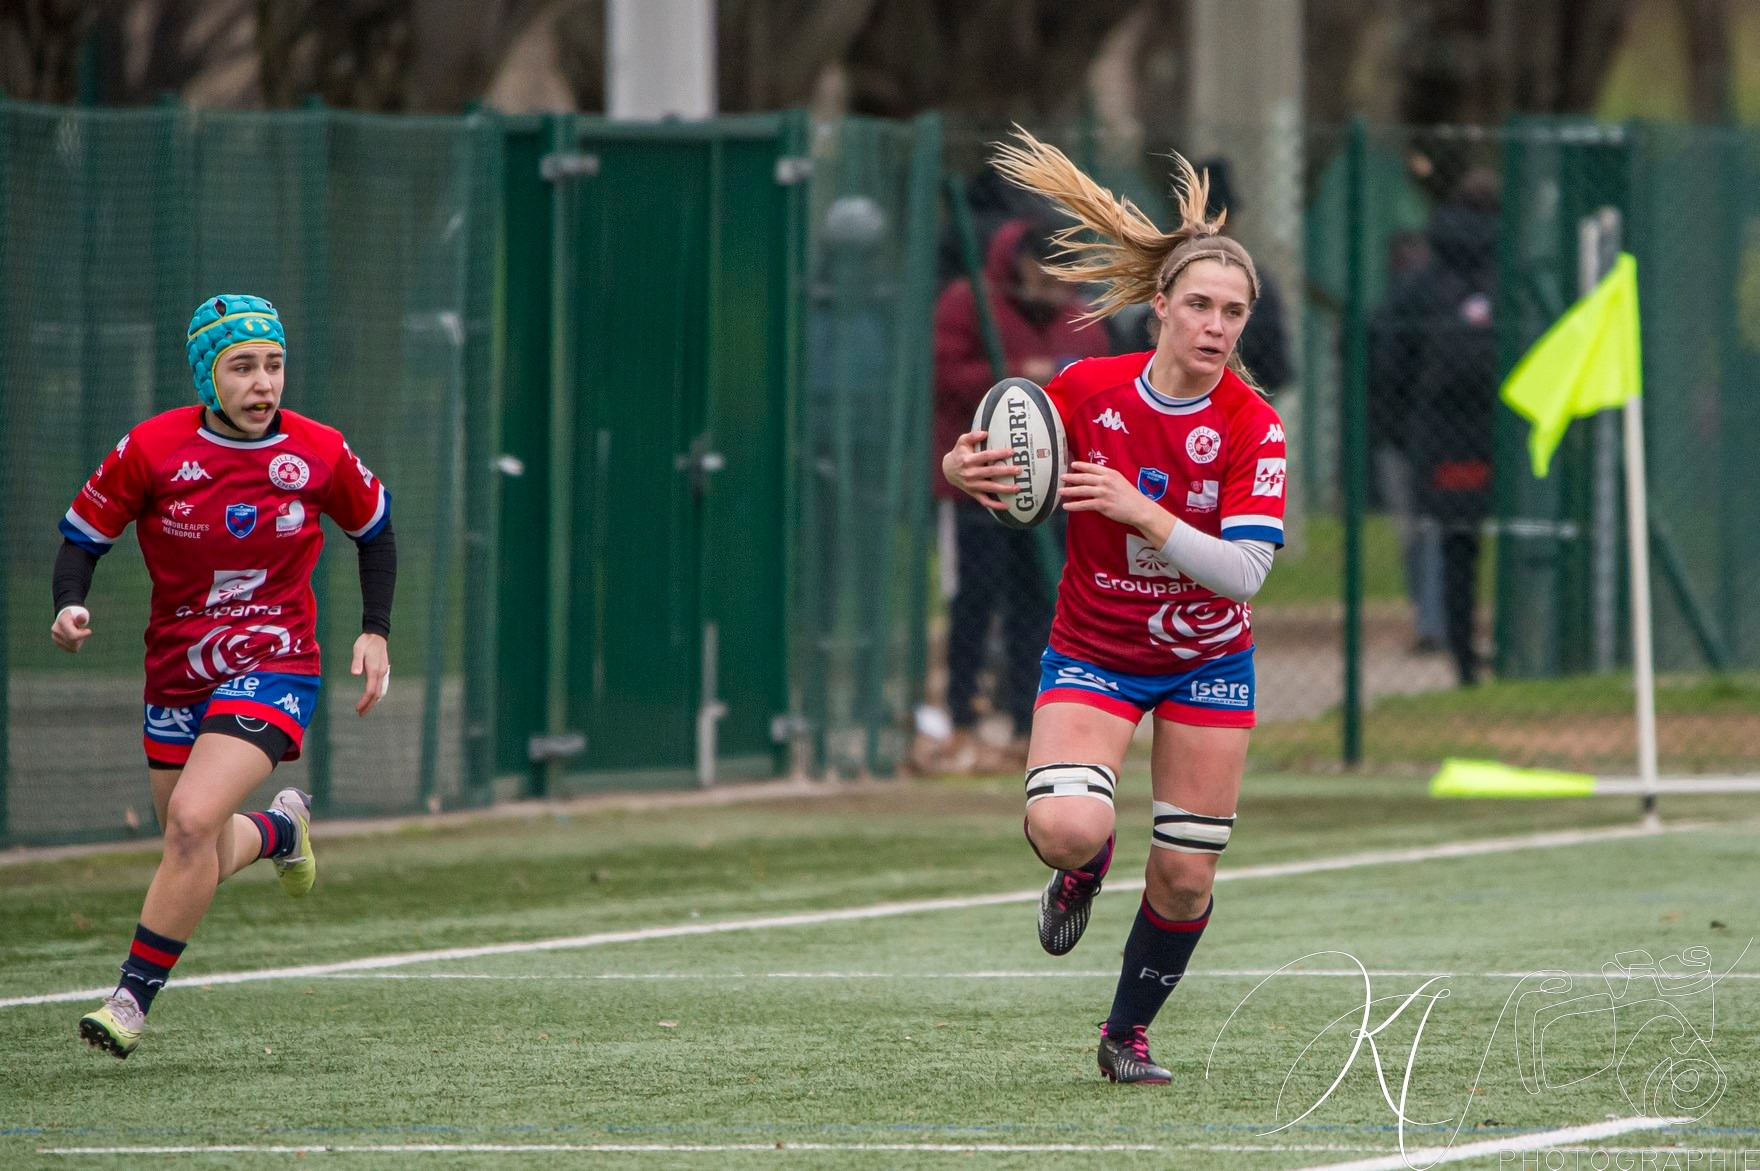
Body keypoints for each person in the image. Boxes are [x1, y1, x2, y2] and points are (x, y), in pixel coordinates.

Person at [944, 133, 1285, 1084]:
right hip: (1095, 645)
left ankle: (1126, 1033)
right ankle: (1082, 873)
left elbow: (1247, 572)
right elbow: (1009, 472)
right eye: (1202, 306)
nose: (1217, 326)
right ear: (1161, 306)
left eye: (1235, 312)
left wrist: (1143, 509)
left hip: (1209, 659)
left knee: (1185, 872)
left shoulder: (1253, 426)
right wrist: (963, 468)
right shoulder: (1085, 389)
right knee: (1068, 825)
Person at [53, 294, 396, 1058]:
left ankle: (129, 1001)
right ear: (208, 378)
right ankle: (281, 829)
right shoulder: (152, 449)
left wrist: (375, 631)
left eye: (273, 364)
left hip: (276, 663)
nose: (263, 383)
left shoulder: (317, 451)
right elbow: (84, 536)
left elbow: (374, 530)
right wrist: (68, 605)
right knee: (193, 844)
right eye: (242, 367)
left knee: (186, 824)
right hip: (177, 668)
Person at [931, 219, 1109, 772]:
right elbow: (944, 374)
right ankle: (961, 718)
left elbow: (1100, 383)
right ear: (1025, 264)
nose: (1059, 285)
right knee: (973, 601)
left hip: (1053, 492)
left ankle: (1027, 723)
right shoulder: (969, 302)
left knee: (1039, 604)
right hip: (980, 490)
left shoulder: (1081, 318)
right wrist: (1018, 375)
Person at [1396, 171, 1501, 685]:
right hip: (1508, 433)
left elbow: (1388, 359)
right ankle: (1517, 651)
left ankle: (1463, 658)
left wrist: (1403, 431)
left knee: (1453, 542)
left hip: (1439, 435)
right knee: (1529, 540)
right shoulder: (1517, 272)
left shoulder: (1423, 280)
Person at [1368, 229, 1446, 653]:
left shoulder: (1405, 310)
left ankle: (1432, 620)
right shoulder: (1398, 312)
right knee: (1423, 533)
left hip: (1416, 440)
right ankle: (1431, 618)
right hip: (1409, 439)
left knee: (1424, 533)